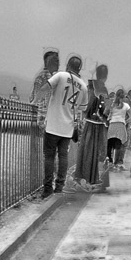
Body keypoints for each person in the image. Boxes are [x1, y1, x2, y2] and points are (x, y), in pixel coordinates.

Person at [41, 54, 84, 197]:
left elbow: (45, 88)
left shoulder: (60, 76)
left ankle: (47, 189)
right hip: (67, 127)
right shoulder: (83, 86)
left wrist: (35, 101)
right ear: (80, 68)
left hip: (53, 124)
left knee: (49, 156)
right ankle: (59, 187)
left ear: (68, 65)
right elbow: (82, 108)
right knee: (63, 156)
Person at [71, 65, 109, 191]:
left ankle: (87, 178)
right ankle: (86, 179)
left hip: (94, 124)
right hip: (94, 125)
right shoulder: (96, 89)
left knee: (89, 151)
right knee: (90, 151)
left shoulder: (93, 87)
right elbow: (89, 106)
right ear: (105, 75)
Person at [106, 88, 129, 166]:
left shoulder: (112, 105)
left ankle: (109, 160)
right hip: (121, 125)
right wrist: (125, 121)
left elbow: (106, 113)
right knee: (118, 144)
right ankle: (116, 163)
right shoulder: (126, 105)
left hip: (112, 125)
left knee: (110, 143)